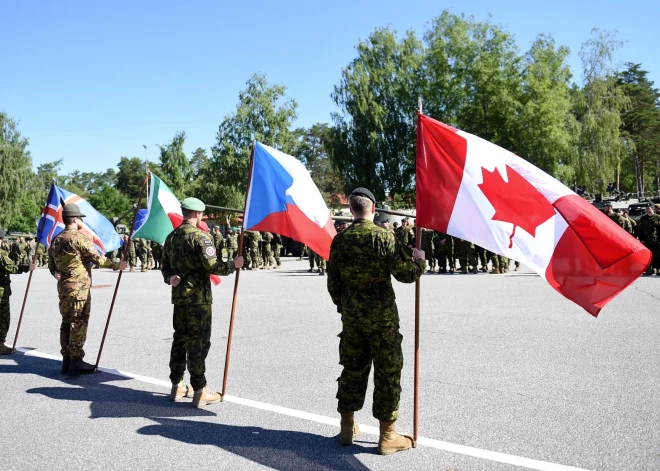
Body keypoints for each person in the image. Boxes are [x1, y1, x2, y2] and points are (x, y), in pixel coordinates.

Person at [327, 187, 426, 455]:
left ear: (351, 210)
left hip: (353, 319)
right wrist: (420, 262)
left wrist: (345, 307)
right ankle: (387, 436)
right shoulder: (385, 237)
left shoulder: (340, 240)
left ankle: (347, 427)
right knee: (387, 372)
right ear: (373, 208)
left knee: (352, 368)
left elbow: (333, 284)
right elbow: (405, 275)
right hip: (382, 320)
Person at [161, 198, 244, 407]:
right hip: (198, 299)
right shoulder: (201, 237)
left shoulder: (171, 237)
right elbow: (213, 266)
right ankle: (199, 390)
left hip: (180, 298)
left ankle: (176, 385)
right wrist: (233, 265)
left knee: (180, 340)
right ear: (198, 214)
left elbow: (165, 267)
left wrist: (171, 278)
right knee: (198, 342)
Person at [48, 204, 124, 374]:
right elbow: (98, 259)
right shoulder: (78, 238)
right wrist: (118, 265)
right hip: (79, 289)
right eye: (80, 218)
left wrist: (55, 272)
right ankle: (76, 361)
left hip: (64, 289)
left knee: (66, 323)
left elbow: (51, 264)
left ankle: (66, 360)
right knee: (79, 323)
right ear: (75, 219)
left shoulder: (56, 239)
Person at [0, 230, 32, 355]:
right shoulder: (1, 253)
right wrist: (27, 268)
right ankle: (0, 345)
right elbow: (10, 267)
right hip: (1, 291)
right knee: (3, 318)